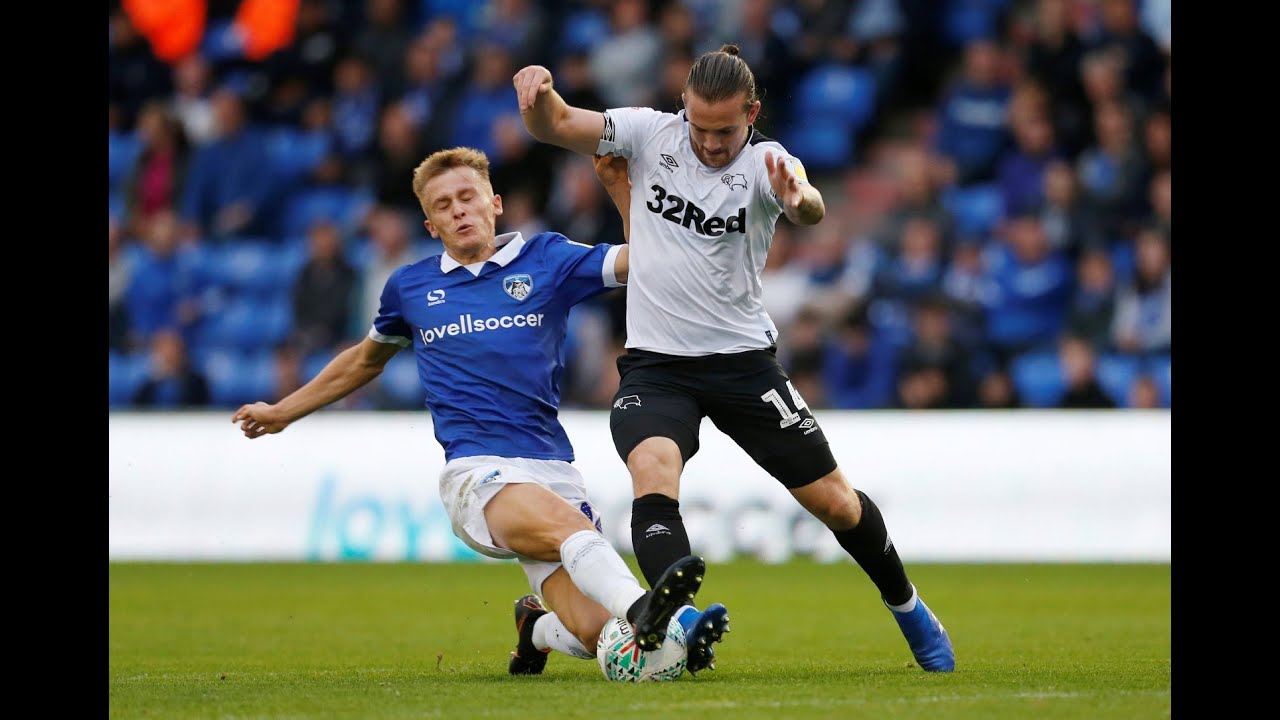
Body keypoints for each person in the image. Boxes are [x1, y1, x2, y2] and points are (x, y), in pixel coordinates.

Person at [514, 44, 955, 672]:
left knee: (834, 502)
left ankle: (909, 606)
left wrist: (797, 198)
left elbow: (811, 205)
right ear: (683, 110)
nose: (713, 143)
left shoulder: (767, 164)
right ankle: (685, 623)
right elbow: (555, 125)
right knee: (653, 468)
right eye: (700, 127)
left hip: (744, 364)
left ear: (752, 112)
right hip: (656, 365)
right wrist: (539, 93)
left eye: (726, 130)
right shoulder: (647, 133)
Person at [230, 147, 729, 677]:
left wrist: (621, 192)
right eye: (443, 205)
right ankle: (658, 612)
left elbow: (642, 260)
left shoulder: (548, 260)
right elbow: (363, 361)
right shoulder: (410, 287)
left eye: (467, 197)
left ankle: (535, 628)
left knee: (594, 633)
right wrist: (284, 411)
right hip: (478, 473)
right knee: (582, 549)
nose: (459, 210)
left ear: (494, 203)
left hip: (553, 467)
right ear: (430, 223)